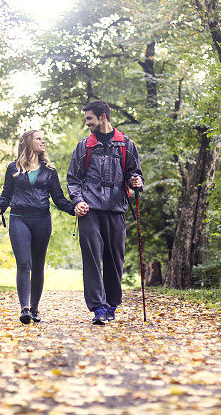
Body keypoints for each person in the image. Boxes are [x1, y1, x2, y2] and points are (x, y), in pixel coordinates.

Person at [67, 100, 144, 325]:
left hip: (116, 209)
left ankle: (112, 305)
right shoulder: (84, 147)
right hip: (89, 209)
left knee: (114, 259)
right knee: (91, 258)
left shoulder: (126, 145)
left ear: (102, 117)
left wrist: (137, 182)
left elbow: (135, 174)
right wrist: (78, 201)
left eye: (90, 118)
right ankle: (98, 307)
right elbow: (73, 179)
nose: (87, 123)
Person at [0, 130, 75, 324]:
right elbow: (6, 195)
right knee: (24, 263)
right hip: (19, 218)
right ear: (28, 142)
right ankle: (25, 309)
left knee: (37, 265)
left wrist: (74, 209)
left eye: (43, 138)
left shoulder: (50, 170)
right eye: (38, 138)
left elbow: (59, 199)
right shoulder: (13, 168)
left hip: (42, 220)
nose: (43, 141)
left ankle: (36, 308)